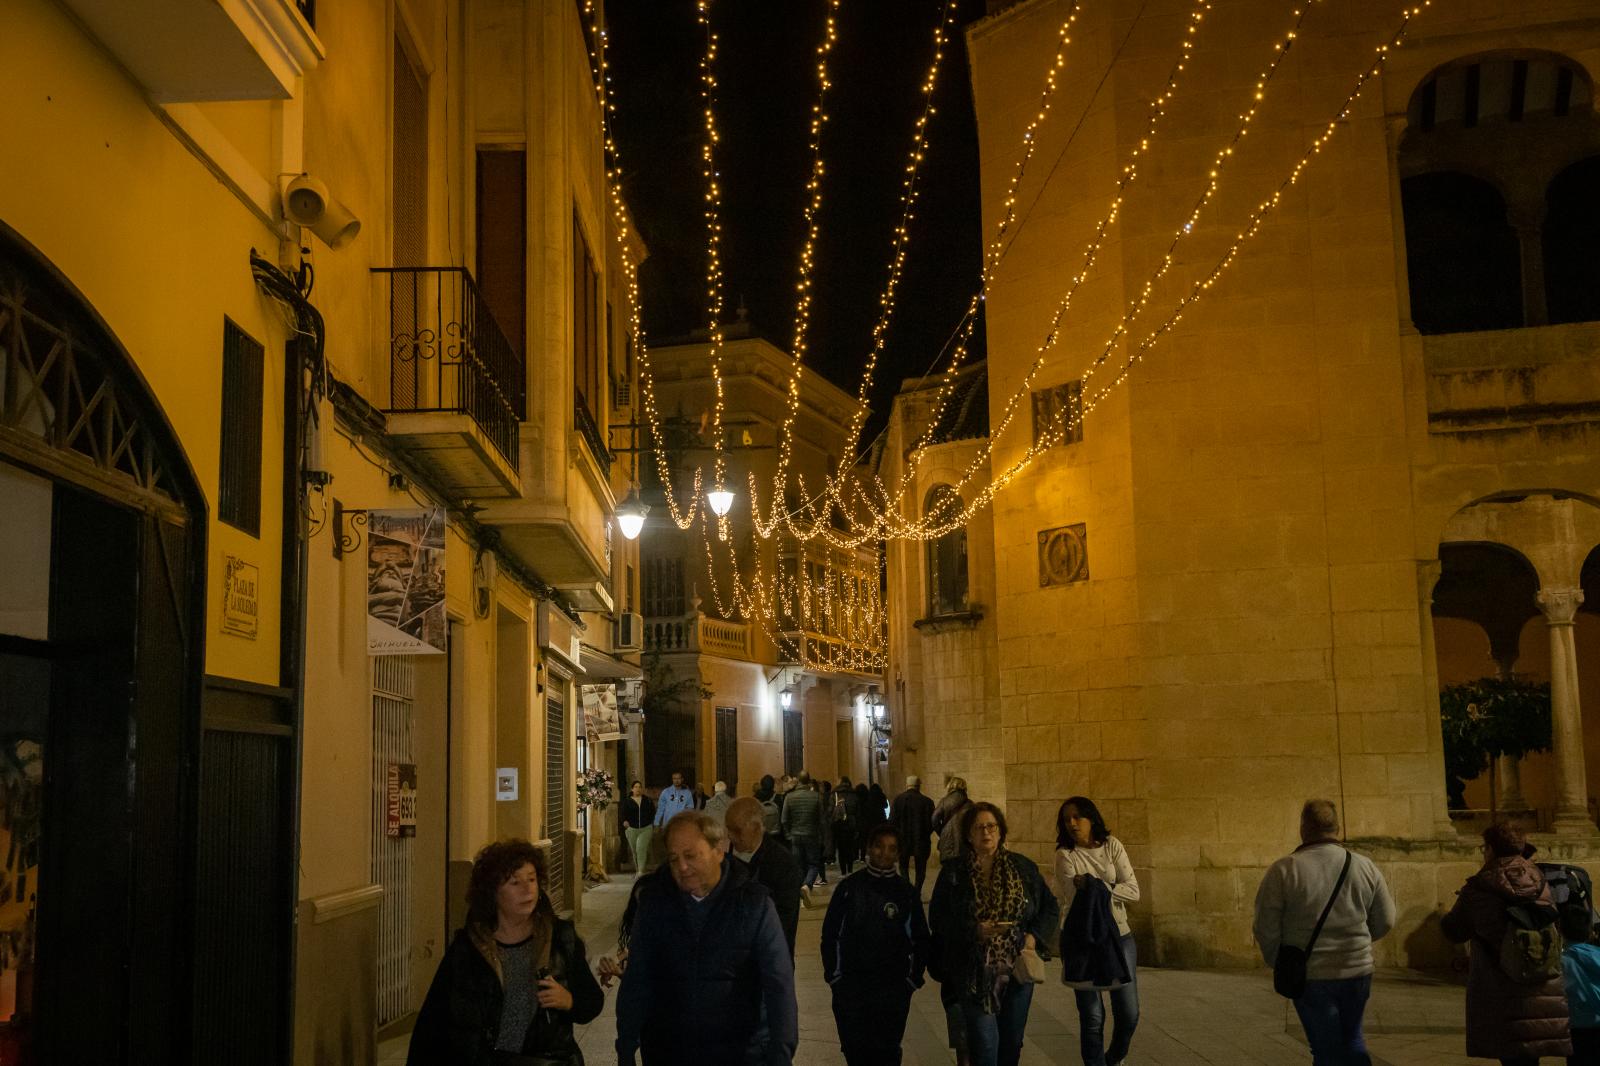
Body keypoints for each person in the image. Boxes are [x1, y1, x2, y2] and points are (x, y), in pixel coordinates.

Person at [615, 810, 798, 1066]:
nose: (682, 867)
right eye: (673, 858)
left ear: (719, 849)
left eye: (690, 856)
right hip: (668, 1052)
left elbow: (779, 986)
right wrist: (626, 1046)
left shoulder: (755, 906)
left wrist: (781, 1055)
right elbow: (637, 980)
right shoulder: (654, 906)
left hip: (740, 1054)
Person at [408, 839, 603, 1065]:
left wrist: (569, 1000)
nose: (527, 889)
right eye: (514, 882)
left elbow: (592, 1003)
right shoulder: (469, 948)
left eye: (531, 879)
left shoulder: (560, 938)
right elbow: (434, 1023)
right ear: (493, 892)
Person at [1253, 799, 1397, 1066]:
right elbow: (1386, 919)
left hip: (1311, 974)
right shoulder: (1364, 865)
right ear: (1337, 827)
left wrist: (1281, 960)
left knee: (1325, 1050)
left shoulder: (1285, 870)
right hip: (1357, 971)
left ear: (1304, 828)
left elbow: (1265, 925)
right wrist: (1359, 943)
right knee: (1353, 1039)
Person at [929, 801, 1060, 1066]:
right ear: (968, 835)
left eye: (991, 826)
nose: (986, 832)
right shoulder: (954, 873)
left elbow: (1049, 908)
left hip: (1017, 969)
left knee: (1011, 1043)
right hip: (973, 971)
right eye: (979, 828)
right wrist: (974, 930)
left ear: (1000, 832)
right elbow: (938, 919)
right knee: (985, 1045)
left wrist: (1034, 937)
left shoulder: (1022, 868)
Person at [1441, 821, 1572, 1064]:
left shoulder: (1479, 888)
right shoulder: (1539, 877)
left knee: (1513, 1056)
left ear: (1490, 849)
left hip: (1500, 984)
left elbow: (1454, 930)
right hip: (1542, 981)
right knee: (1531, 1053)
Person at [821, 824, 931, 1065]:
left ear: (898, 854)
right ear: (870, 848)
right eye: (879, 846)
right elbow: (830, 935)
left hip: (892, 990)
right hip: (852, 988)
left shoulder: (906, 893)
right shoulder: (850, 888)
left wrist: (912, 980)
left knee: (887, 1052)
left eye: (892, 848)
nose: (884, 853)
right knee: (856, 1052)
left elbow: (921, 939)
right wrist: (835, 977)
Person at [1055, 796, 1141, 1066]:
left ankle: (1115, 1057)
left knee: (1128, 1012)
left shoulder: (1112, 846)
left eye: (1077, 817)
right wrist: (1105, 888)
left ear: (1091, 819)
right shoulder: (1065, 855)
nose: (1072, 823)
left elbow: (1133, 890)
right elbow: (1074, 897)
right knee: (1092, 1017)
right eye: (1067, 818)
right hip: (1082, 938)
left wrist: (1096, 886)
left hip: (1118, 935)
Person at [727, 795, 804, 958]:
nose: (730, 836)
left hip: (770, 960)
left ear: (755, 827)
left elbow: (784, 919)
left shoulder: (782, 862)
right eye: (728, 829)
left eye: (736, 830)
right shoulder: (727, 859)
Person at [781, 771, 825, 903]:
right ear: (809, 781)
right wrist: (822, 836)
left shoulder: (790, 797)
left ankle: (801, 894)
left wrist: (788, 834)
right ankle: (807, 885)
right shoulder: (816, 797)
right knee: (813, 864)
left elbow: (784, 819)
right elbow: (822, 820)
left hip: (795, 835)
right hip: (811, 834)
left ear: (798, 781)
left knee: (798, 865)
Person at [891, 774, 937, 892]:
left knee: (903, 867)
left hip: (902, 840)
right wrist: (925, 833)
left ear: (907, 785)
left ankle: (907, 890)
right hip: (921, 840)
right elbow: (931, 822)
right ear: (918, 786)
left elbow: (892, 821)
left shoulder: (898, 800)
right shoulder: (927, 802)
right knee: (920, 869)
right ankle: (916, 891)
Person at [933, 776, 972, 865]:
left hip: (947, 844)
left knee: (948, 871)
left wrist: (941, 832)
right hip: (965, 845)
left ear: (950, 786)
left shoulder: (944, 801)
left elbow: (934, 819)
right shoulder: (970, 804)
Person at [620, 781, 655, 875]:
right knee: (635, 851)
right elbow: (623, 814)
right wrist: (624, 821)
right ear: (632, 789)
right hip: (632, 829)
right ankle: (638, 870)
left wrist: (652, 823)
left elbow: (652, 812)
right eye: (635, 787)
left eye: (639, 787)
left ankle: (640, 872)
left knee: (641, 848)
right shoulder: (627, 801)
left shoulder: (647, 800)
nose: (638, 789)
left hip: (646, 828)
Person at [832, 775, 861, 877]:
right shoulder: (854, 794)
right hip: (851, 824)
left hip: (839, 824)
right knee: (850, 847)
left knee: (841, 849)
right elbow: (858, 811)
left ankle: (843, 871)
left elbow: (831, 810)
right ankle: (850, 869)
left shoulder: (835, 793)